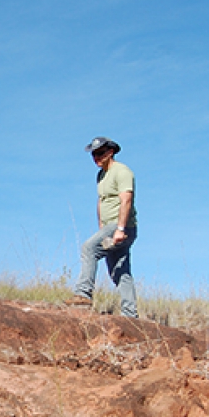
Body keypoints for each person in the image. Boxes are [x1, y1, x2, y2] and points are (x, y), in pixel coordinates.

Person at [65, 136, 139, 318]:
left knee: (89, 248)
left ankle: (83, 294)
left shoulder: (122, 172)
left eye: (100, 153)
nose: (96, 157)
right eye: (93, 154)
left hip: (122, 226)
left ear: (110, 152)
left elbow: (126, 200)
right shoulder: (101, 175)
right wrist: (101, 228)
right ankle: (130, 315)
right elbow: (101, 201)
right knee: (118, 270)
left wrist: (120, 229)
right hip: (110, 227)